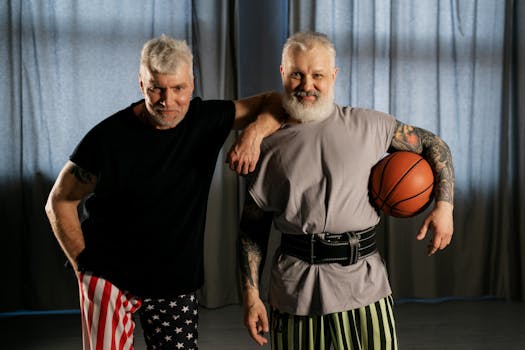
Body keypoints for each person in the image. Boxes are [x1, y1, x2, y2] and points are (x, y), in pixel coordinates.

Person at [45, 34, 283, 350]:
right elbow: (59, 201)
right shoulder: (106, 139)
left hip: (174, 279)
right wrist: (83, 267)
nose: (166, 100)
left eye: (178, 89)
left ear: (192, 84)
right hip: (110, 276)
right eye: (156, 88)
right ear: (141, 84)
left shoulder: (206, 119)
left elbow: (276, 102)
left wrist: (252, 135)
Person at [238, 31, 455, 350]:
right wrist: (251, 296)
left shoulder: (371, 126)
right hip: (296, 291)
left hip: (365, 287)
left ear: (334, 76)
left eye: (318, 75)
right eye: (297, 74)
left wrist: (444, 206)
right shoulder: (263, 146)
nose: (307, 85)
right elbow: (251, 229)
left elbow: (433, 144)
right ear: (283, 73)